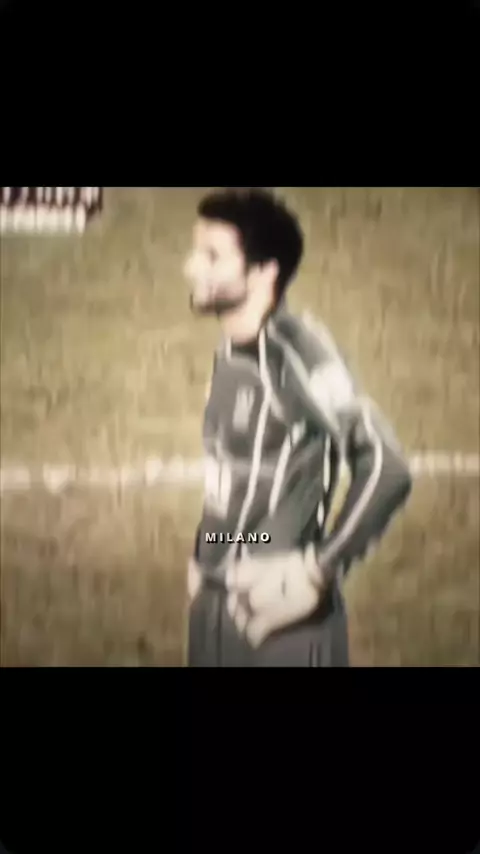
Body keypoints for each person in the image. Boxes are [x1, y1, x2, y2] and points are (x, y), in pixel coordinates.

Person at [183, 188, 412, 667]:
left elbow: (386, 465)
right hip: (219, 611)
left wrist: (317, 570)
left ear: (263, 272)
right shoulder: (232, 351)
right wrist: (207, 556)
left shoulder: (299, 354)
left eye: (212, 256)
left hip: (279, 623)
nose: (190, 267)